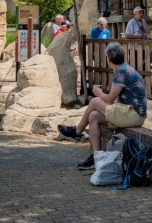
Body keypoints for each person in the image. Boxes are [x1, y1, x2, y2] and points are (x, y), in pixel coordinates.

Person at [58, 42, 147, 170]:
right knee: (93, 116)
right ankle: (96, 157)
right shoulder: (124, 68)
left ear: (108, 59)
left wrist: (99, 93)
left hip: (133, 114)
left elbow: (110, 100)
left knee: (95, 102)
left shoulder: (121, 72)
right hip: (129, 112)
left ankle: (77, 132)